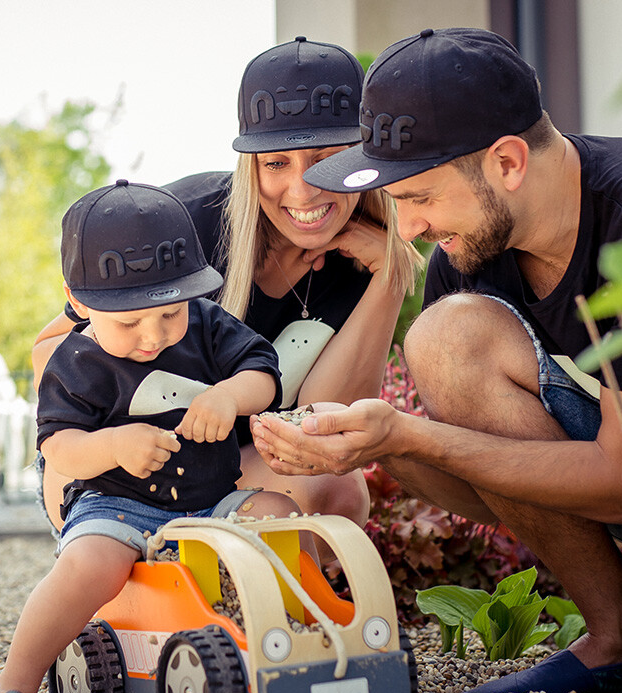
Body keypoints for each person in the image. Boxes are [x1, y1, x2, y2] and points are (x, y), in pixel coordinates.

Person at [254, 27, 622, 693]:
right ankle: (613, 635)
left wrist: (410, 436)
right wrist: (373, 450)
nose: (407, 228)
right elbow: (502, 485)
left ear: (508, 163)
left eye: (418, 197)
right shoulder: (471, 259)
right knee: (444, 337)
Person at [31, 37, 424, 538]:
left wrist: (390, 277)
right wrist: (109, 452)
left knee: (338, 493)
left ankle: (213, 585)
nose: (303, 190)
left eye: (328, 159)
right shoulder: (183, 225)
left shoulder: (358, 260)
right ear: (250, 164)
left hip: (217, 472)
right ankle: (125, 567)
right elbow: (50, 353)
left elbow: (322, 424)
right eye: (276, 164)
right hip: (112, 472)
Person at [0, 180, 299, 693]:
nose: (153, 336)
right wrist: (113, 446)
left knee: (283, 517)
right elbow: (59, 449)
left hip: (210, 500)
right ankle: (15, 685)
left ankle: (292, 634)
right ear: (79, 303)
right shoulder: (75, 362)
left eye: (171, 314)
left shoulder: (205, 324)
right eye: (129, 322)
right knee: (88, 567)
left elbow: (264, 374)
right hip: (115, 508)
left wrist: (228, 395)